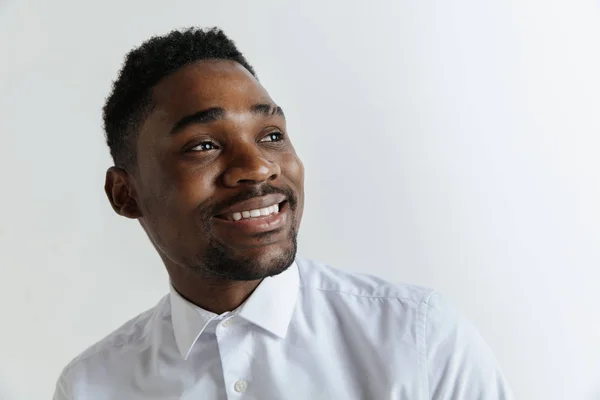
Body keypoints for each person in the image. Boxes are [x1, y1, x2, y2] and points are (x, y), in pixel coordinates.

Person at [53, 27, 514, 400]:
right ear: (124, 194)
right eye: (204, 146)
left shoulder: (420, 338)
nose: (257, 167)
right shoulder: (92, 386)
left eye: (271, 134)